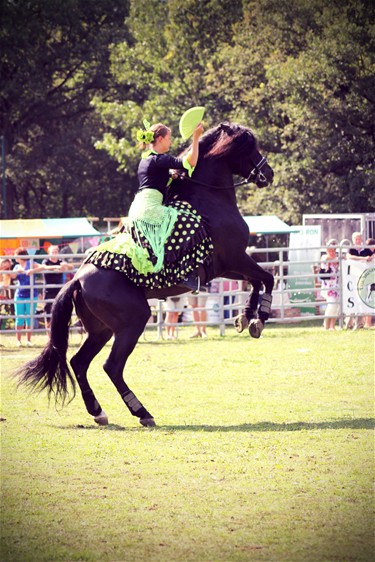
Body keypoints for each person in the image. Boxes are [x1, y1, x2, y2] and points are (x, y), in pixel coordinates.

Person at [84, 119, 213, 292]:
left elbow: (156, 180)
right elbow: (190, 163)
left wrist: (170, 177)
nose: (171, 141)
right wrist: (196, 138)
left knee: (169, 235)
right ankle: (183, 274)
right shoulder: (159, 159)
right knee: (191, 222)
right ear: (159, 139)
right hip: (149, 207)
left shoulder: (148, 160)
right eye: (169, 138)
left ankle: (178, 272)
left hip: (139, 207)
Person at [31, 245, 74, 330]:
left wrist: (66, 265)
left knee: (60, 311)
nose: (54, 254)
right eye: (52, 252)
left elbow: (71, 267)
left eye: (56, 252)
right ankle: (49, 336)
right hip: (48, 290)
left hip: (59, 290)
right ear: (49, 253)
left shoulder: (61, 261)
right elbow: (44, 267)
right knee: (48, 313)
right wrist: (57, 267)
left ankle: (59, 333)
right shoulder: (46, 261)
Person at [10, 248, 39, 347]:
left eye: (16, 255)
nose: (14, 258)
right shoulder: (16, 266)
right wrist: (18, 271)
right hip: (19, 295)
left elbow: (42, 267)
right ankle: (18, 340)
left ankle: (28, 340)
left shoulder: (31, 263)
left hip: (32, 294)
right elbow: (12, 276)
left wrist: (32, 270)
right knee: (19, 318)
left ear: (20, 256)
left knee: (30, 318)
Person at [318, 239, 340, 330]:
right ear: (327, 250)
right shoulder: (325, 257)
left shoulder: (337, 259)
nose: (332, 252)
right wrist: (336, 259)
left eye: (334, 250)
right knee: (332, 304)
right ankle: (326, 324)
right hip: (328, 286)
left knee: (336, 306)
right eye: (330, 250)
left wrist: (337, 260)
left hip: (337, 286)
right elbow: (325, 259)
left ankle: (332, 326)